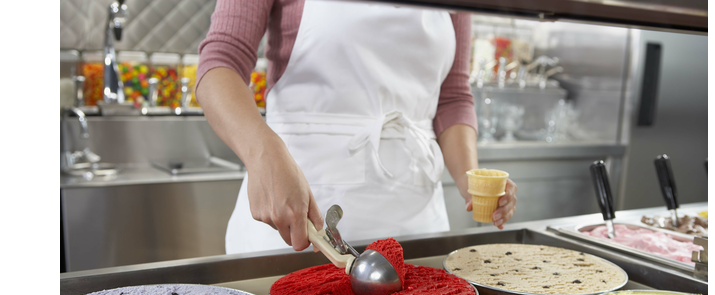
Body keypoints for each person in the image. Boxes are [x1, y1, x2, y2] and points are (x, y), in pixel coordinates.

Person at [196, 0, 518, 254]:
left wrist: (470, 180)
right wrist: (262, 153)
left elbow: (452, 97)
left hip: (417, 226)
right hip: (298, 222)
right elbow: (221, 62)